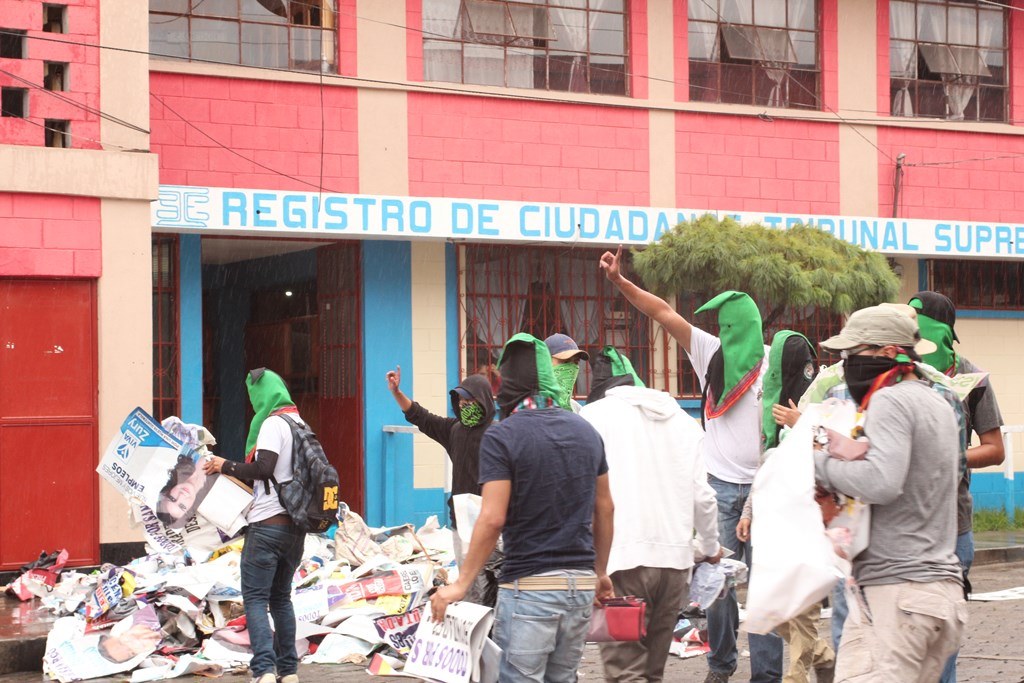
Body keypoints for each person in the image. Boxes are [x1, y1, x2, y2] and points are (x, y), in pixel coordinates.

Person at [599, 246, 783, 683]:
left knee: (766, 589)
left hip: (765, 491)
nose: (728, 334)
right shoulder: (711, 353)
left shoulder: (774, 359)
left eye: (736, 327)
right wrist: (620, 282)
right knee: (718, 590)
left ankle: (767, 675)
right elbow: (663, 313)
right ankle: (720, 665)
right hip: (719, 488)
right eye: (724, 327)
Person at [430, 333, 615, 683]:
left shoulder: (503, 436)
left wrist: (461, 583)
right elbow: (604, 508)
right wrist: (601, 572)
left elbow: (492, 517)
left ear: (507, 386)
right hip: (579, 587)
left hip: (530, 586)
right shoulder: (586, 432)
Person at [813, 306, 966, 683]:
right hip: (937, 594)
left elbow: (882, 481)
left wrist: (817, 464)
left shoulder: (890, 400)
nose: (846, 364)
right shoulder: (938, 402)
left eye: (851, 354)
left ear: (886, 352)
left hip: (897, 596)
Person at [580, 346, 722, 682]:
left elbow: (582, 494)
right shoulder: (682, 421)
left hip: (623, 564)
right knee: (652, 672)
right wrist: (711, 546)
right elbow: (703, 497)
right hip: (674, 566)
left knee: (626, 671)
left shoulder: (592, 418)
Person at [909, 291, 1004, 683]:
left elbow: (995, 449)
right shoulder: (895, 372)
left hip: (953, 526)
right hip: (900, 530)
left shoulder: (972, 379)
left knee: (941, 645)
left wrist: (954, 457)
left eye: (918, 324)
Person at [738, 332, 835, 683]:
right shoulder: (770, 408)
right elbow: (767, 464)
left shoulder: (822, 400)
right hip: (775, 528)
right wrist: (749, 511)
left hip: (809, 525)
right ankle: (824, 655)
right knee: (769, 612)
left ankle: (797, 676)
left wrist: (801, 425)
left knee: (804, 611)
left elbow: (836, 450)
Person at [203, 368, 306, 683]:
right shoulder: (301, 424)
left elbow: (264, 468)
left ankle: (263, 670)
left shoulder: (273, 424)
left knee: (257, 599)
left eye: (254, 396)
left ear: (263, 396)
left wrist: (226, 465)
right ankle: (288, 672)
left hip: (267, 526)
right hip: (295, 528)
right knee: (281, 598)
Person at [385, 366, 500, 605]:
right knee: (471, 590)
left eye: (471, 400)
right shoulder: (454, 430)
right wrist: (397, 392)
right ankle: (476, 634)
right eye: (461, 400)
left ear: (485, 401)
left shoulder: (499, 435)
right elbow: (421, 417)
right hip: (461, 526)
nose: (465, 405)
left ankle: (492, 634)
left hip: (491, 525)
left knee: (491, 588)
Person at [155, 453, 215, 528]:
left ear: (168, 491)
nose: (181, 495)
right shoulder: (215, 491)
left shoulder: (185, 454)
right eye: (182, 506)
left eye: (172, 498)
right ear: (190, 510)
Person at [543, 332, 589, 412]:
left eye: (576, 362)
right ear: (545, 363)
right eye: (565, 362)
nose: (571, 368)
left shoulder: (577, 410)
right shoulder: (531, 407)